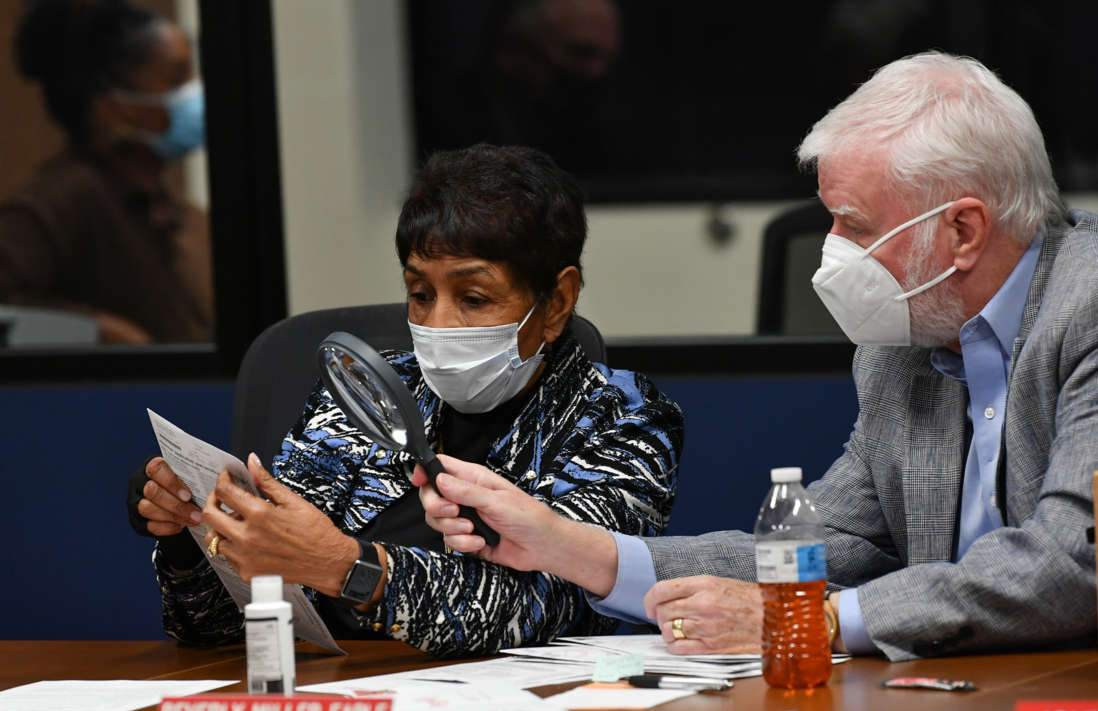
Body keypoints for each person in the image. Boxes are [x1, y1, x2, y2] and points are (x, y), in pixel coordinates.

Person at [424, 52, 1098, 661]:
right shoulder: (903, 340)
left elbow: (1078, 563)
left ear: (962, 231)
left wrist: (819, 620)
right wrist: (577, 549)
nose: (830, 256)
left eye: (854, 226)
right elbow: (842, 543)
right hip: (951, 690)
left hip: (1087, 700)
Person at [130, 143, 684, 656]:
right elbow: (224, 623)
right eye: (420, 295)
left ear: (558, 301)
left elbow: (543, 607)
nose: (438, 324)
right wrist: (193, 535)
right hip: (339, 700)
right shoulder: (359, 397)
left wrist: (346, 566)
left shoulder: (624, 419)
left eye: (473, 297)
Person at [0, 0, 211, 343]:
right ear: (111, 105)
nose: (195, 95)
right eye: (175, 78)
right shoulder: (61, 198)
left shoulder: (174, 213)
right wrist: (99, 331)